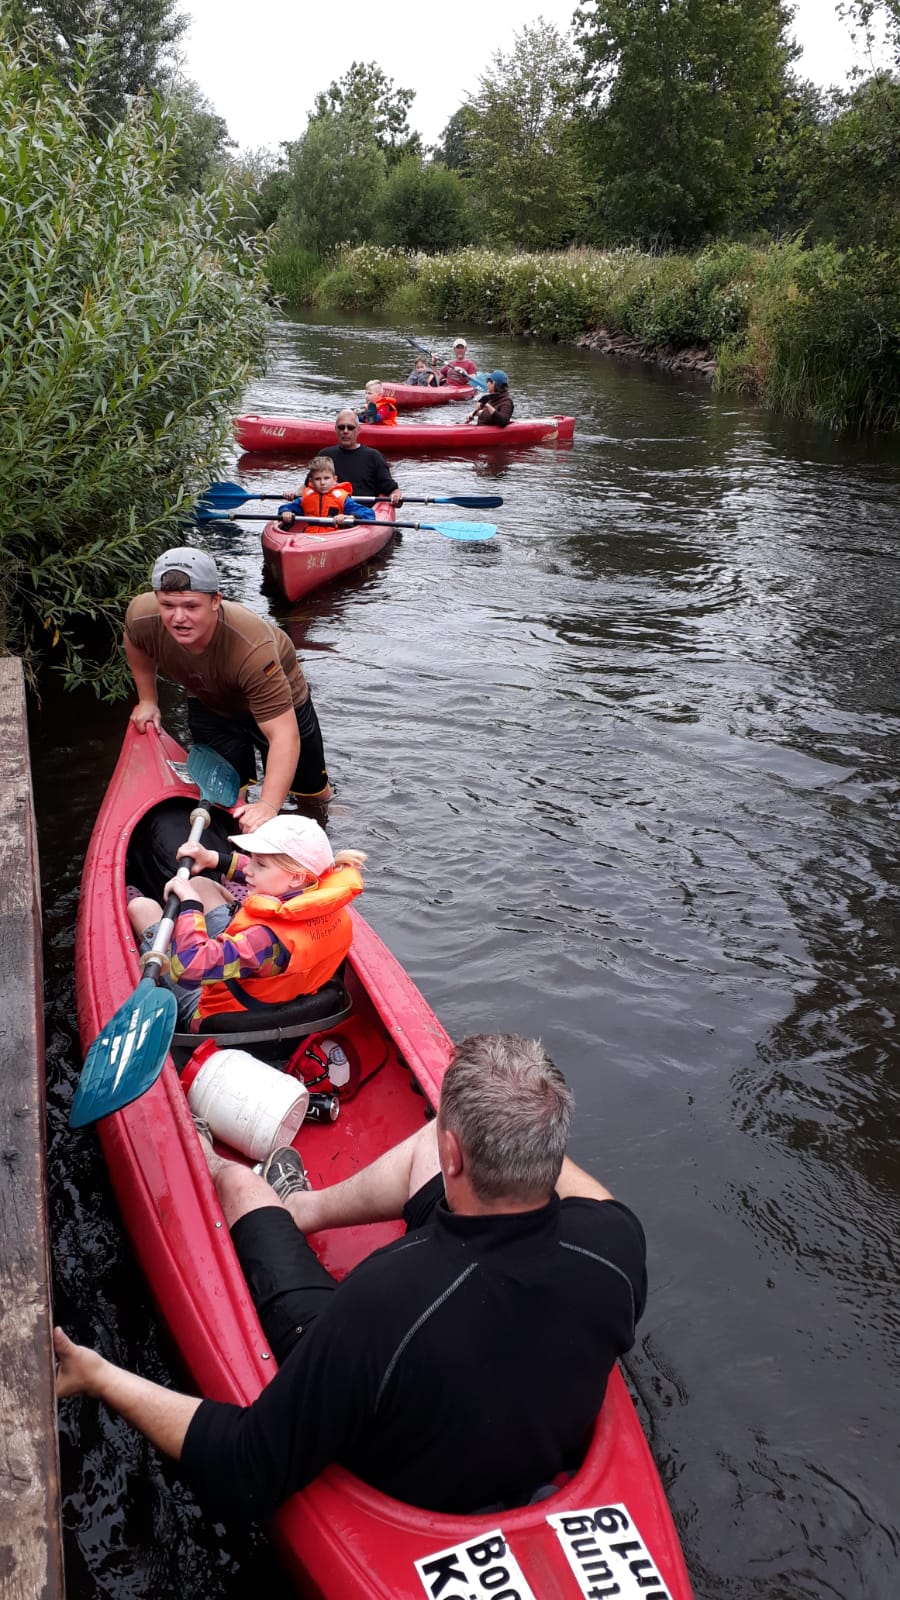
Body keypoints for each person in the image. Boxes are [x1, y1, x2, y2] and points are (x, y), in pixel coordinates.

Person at [55, 1033, 647, 1521]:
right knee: (427, 1149)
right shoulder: (615, 1246)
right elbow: (559, 1183)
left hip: (406, 1465)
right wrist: (520, 1118)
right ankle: (304, 1206)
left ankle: (217, 1162)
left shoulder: (382, 1301)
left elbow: (245, 1463)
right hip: (493, 1405)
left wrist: (98, 1375)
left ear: (456, 1156)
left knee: (240, 1186)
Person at [125, 548, 331, 824]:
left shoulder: (252, 648)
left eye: (191, 606)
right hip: (210, 701)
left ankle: (325, 815)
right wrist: (148, 699)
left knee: (310, 792)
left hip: (280, 703)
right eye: (168, 606)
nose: (178, 618)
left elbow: (283, 735)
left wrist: (268, 805)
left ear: (215, 601)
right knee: (225, 794)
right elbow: (134, 640)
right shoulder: (142, 615)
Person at [126, 814, 366, 1028]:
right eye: (251, 859)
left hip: (214, 1009)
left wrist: (191, 905)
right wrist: (213, 859)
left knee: (141, 907)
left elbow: (187, 969)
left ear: (296, 877)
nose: (250, 868)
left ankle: (185, 934)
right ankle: (210, 940)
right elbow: (268, 875)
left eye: (259, 864)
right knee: (200, 884)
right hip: (269, 986)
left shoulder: (263, 940)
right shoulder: (316, 887)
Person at [316, 412, 403, 504]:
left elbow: (391, 489)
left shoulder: (374, 457)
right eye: (341, 427)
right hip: (331, 511)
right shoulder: (325, 455)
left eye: (350, 428)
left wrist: (396, 497)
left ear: (358, 430)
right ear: (335, 429)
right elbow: (309, 484)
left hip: (363, 514)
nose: (345, 431)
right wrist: (299, 494)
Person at [276, 457, 377, 531]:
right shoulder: (306, 499)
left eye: (326, 478)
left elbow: (369, 514)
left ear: (334, 479)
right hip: (309, 538)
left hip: (334, 537)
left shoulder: (343, 499)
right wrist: (286, 512)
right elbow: (285, 508)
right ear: (311, 481)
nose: (322, 483)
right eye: (317, 479)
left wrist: (349, 517)